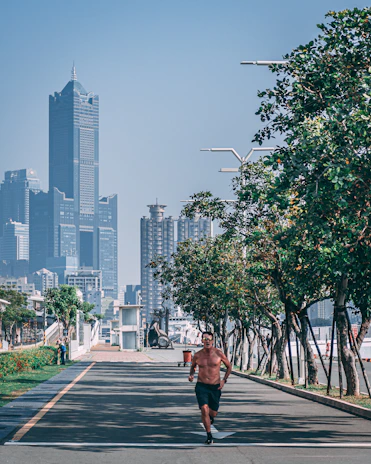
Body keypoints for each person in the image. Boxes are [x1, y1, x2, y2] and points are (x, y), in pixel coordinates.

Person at [188, 331, 232, 445]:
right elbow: (193, 367)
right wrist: (191, 374)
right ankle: (209, 435)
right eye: (204, 339)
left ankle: (210, 419)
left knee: (213, 413)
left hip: (215, 387)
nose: (207, 341)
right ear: (202, 341)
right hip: (201, 386)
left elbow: (229, 367)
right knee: (204, 409)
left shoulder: (218, 353)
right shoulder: (197, 355)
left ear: (212, 341)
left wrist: (224, 380)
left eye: (209, 339)